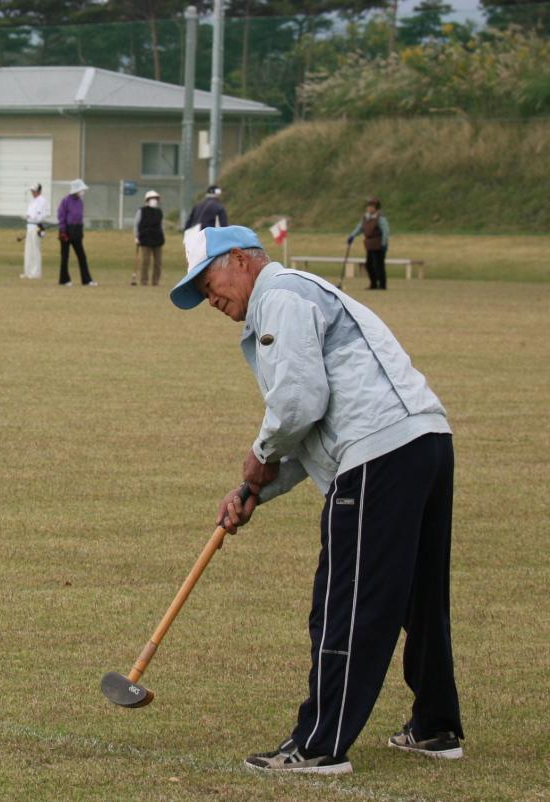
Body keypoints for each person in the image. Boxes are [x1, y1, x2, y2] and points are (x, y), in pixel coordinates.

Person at [169, 225, 463, 775]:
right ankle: (436, 725)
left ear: (240, 259)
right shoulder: (302, 293)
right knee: (420, 598)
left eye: (210, 283)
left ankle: (319, 744)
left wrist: (258, 454)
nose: (211, 300)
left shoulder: (278, 297)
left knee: (345, 603)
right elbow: (311, 432)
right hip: (423, 442)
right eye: (202, 294)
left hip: (378, 452)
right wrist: (255, 491)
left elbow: (300, 403)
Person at [57, 178, 95, 287]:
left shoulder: (80, 202)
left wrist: (80, 231)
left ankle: (86, 280)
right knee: (65, 256)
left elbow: (79, 218)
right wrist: (63, 231)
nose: (83, 192)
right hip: (66, 231)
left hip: (77, 231)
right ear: (76, 190)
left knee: (82, 256)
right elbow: (61, 215)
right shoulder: (65, 201)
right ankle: (64, 280)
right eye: (81, 190)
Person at [347, 197, 390, 290]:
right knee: (369, 265)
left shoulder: (380, 218)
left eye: (372, 206)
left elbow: (386, 231)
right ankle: (373, 283)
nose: (369, 208)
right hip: (369, 244)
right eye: (368, 206)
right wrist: (352, 236)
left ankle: (382, 285)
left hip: (379, 245)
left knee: (378, 265)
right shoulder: (365, 217)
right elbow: (359, 228)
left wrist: (383, 244)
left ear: (376, 208)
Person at [132, 189, 165, 286]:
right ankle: (144, 281)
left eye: (156, 199)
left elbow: (161, 225)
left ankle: (155, 281)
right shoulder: (141, 211)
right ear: (147, 200)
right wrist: (136, 236)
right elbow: (136, 224)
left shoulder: (159, 211)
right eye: (152, 199)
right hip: (145, 239)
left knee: (158, 262)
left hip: (157, 239)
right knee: (146, 261)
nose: (154, 200)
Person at [22, 183, 49, 279]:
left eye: (35, 191)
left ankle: (36, 273)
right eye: (32, 191)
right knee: (28, 249)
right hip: (29, 226)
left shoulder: (42, 201)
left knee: (35, 250)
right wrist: (27, 216)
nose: (33, 192)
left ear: (39, 191)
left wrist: (30, 217)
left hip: (36, 227)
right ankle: (27, 271)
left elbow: (40, 216)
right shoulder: (32, 201)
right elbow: (29, 213)